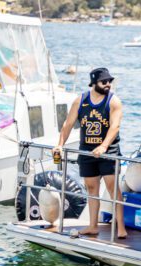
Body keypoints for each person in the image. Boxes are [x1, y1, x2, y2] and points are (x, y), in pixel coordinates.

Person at [54, 67, 127, 238]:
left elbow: (115, 127)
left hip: (108, 152)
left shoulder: (114, 101)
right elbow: (68, 124)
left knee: (112, 188)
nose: (108, 84)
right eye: (104, 81)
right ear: (94, 83)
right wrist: (60, 145)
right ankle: (93, 226)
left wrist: (103, 146)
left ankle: (121, 227)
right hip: (87, 152)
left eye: (110, 81)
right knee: (92, 188)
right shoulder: (81, 100)